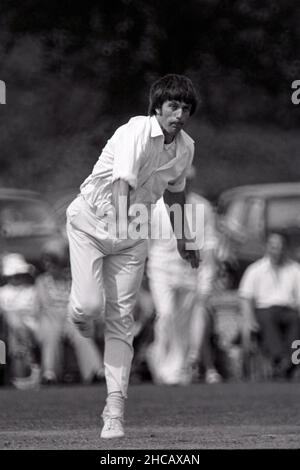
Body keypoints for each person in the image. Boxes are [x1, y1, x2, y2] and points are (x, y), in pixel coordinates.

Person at [66, 74, 200, 438]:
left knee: (121, 320)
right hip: (90, 224)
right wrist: (124, 221)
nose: (179, 115)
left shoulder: (186, 147)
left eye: (186, 108)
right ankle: (78, 317)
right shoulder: (136, 130)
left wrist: (184, 240)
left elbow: (174, 195)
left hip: (132, 235)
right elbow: (122, 181)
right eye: (173, 106)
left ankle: (114, 411)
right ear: (157, 107)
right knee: (89, 308)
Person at [147, 167, 221, 385]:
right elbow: (146, 243)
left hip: (190, 271)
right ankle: (160, 360)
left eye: (187, 180)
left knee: (182, 324)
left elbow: (209, 244)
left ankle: (174, 371)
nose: (183, 184)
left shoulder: (203, 207)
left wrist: (207, 279)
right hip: (161, 269)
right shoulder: (155, 206)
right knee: (166, 314)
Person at [36, 240, 104, 385]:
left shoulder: (73, 280)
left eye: (53, 261)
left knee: (81, 333)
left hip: (70, 320)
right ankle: (49, 373)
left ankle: (95, 371)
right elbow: (45, 306)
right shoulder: (42, 281)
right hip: (50, 320)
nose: (48, 265)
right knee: (51, 332)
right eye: (46, 261)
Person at [239, 232, 300, 379]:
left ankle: (292, 360)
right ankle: (282, 359)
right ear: (267, 247)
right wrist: (249, 320)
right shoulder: (255, 270)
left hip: (288, 310)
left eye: (280, 246)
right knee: (267, 318)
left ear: (285, 248)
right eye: (273, 246)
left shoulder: (295, 270)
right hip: (264, 310)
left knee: (295, 320)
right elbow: (245, 298)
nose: (277, 250)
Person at [0, 253, 40, 389]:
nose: (18, 278)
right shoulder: (3, 292)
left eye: (20, 274)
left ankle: (20, 377)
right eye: (15, 275)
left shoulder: (32, 290)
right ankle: (28, 370)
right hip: (10, 330)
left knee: (15, 327)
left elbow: (38, 312)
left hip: (33, 328)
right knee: (12, 317)